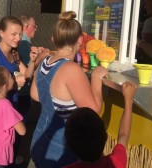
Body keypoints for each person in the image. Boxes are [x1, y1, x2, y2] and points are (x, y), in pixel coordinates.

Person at [30, 11, 108, 168]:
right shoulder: (71, 69)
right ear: (80, 40)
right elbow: (92, 113)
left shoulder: (45, 62)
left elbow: (35, 94)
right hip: (60, 150)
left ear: (53, 39)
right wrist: (96, 79)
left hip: (39, 140)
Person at [63, 81, 137, 168]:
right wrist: (128, 100)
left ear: (68, 144)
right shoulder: (116, 162)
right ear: (106, 136)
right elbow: (124, 134)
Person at [18, 15, 49, 118]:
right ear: (26, 27)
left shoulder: (23, 42)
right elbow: (29, 69)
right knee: (20, 118)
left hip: (21, 89)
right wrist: (43, 55)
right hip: (22, 91)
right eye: (34, 26)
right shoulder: (24, 42)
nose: (35, 29)